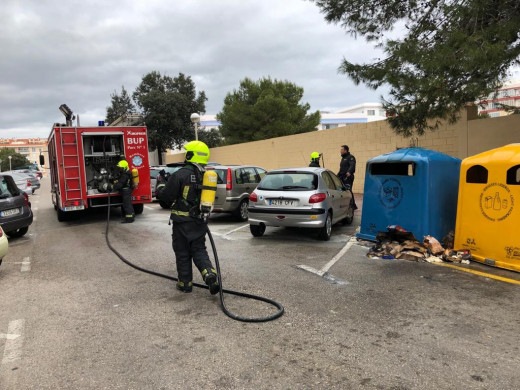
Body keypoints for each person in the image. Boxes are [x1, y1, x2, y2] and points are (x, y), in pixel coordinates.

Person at [157, 141, 219, 295]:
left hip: (181, 223)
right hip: (199, 222)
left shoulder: (180, 174)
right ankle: (209, 274)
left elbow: (165, 197)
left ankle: (185, 284)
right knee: (199, 250)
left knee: (182, 252)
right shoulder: (206, 175)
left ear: (191, 155)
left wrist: (161, 185)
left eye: (187, 152)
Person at [112, 159, 135, 223]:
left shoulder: (124, 175)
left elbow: (120, 185)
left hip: (126, 191)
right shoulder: (127, 173)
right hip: (128, 190)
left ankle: (129, 219)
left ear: (124, 167)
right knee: (129, 204)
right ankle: (132, 216)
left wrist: (112, 186)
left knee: (126, 205)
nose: (120, 169)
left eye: (121, 168)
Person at [337, 145, 358, 210]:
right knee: (341, 190)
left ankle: (352, 206)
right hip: (342, 176)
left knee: (348, 191)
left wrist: (349, 172)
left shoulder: (351, 157)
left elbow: (352, 165)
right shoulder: (343, 158)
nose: (340, 151)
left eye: (341, 150)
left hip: (348, 177)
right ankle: (346, 205)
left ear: (345, 150)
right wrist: (336, 176)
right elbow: (341, 169)